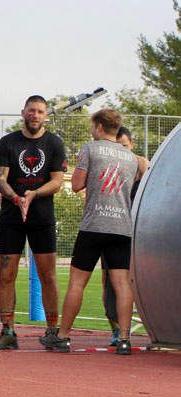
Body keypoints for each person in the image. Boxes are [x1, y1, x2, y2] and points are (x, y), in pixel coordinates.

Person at [50, 109, 139, 355]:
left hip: (94, 224)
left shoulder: (90, 148)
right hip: (122, 226)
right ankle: (123, 338)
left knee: (78, 282)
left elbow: (77, 183)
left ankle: (63, 335)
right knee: (121, 283)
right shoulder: (130, 157)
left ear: (99, 127)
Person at [0, 95, 67, 350]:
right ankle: (8, 330)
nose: (35, 115)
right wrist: (15, 197)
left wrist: (33, 195)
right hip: (12, 216)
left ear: (46, 115)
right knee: (6, 273)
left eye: (40, 111)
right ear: (23, 112)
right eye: (31, 110)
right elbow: (0, 178)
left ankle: (53, 331)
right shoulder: (8, 142)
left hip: (42, 216)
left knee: (48, 274)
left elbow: (57, 181)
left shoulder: (54, 143)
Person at [101, 125, 148, 346]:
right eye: (116, 148)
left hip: (139, 238)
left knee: (138, 282)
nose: (121, 152)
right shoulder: (109, 171)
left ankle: (141, 328)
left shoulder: (143, 168)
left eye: (125, 147)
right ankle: (116, 330)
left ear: (132, 146)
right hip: (112, 231)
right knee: (109, 283)